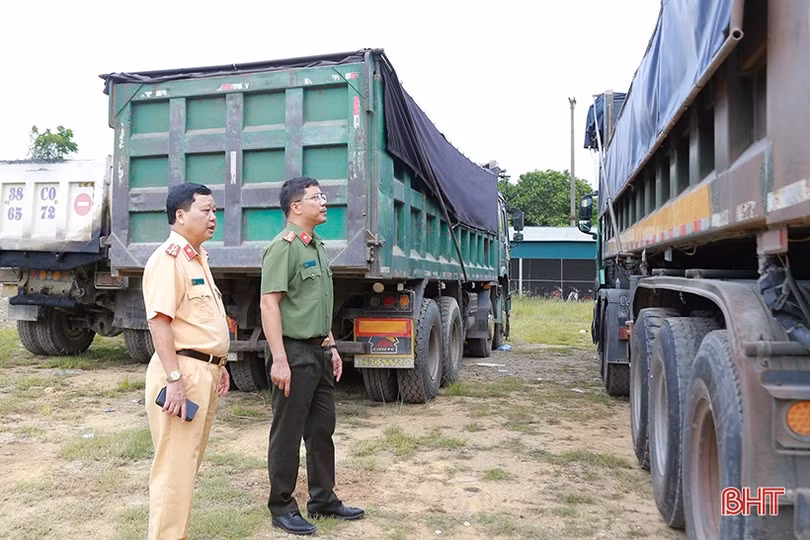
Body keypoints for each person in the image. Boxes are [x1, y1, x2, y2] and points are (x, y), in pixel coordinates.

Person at [260, 176, 364, 536]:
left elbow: (317, 305)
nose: (324, 202)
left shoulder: (315, 245)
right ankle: (282, 506)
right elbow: (269, 304)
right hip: (293, 351)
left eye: (323, 196)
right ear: (295, 206)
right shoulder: (283, 247)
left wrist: (332, 345)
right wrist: (279, 359)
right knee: (287, 432)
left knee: (322, 430)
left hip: (318, 350)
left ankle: (323, 499)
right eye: (316, 197)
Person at [142, 182, 231, 539]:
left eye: (214, 211)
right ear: (180, 215)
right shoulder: (169, 259)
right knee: (173, 473)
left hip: (202, 371)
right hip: (182, 373)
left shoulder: (197, 257)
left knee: (186, 468)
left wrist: (219, 365)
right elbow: (159, 321)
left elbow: (196, 321)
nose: (213, 217)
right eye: (205, 210)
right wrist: (174, 379)